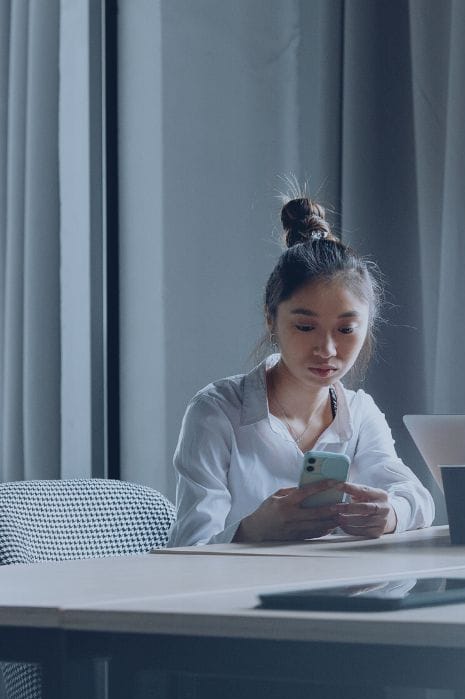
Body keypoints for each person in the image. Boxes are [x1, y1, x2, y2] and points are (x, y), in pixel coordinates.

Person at [169, 198, 435, 546]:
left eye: (345, 330)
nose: (326, 350)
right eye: (305, 327)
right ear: (271, 319)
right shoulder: (217, 412)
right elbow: (187, 549)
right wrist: (251, 531)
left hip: (336, 593)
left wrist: (392, 514)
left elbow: (418, 499)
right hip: (237, 597)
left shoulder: (358, 412)